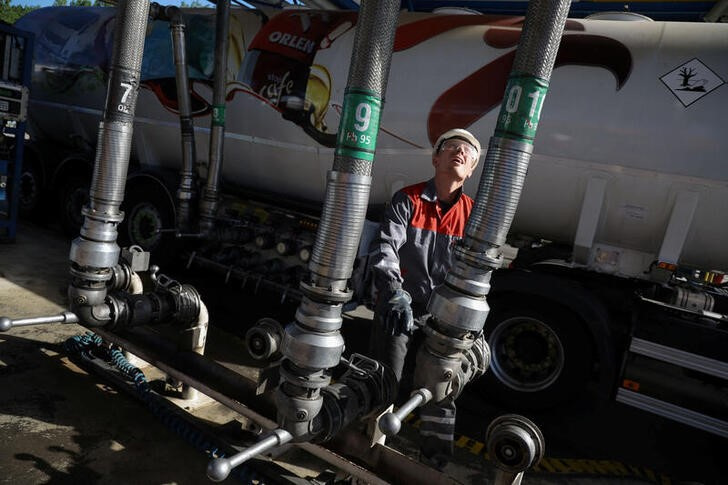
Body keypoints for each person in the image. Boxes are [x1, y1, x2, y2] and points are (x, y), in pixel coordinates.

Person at [368, 128, 481, 469]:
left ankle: (435, 462)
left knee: (440, 387)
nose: (459, 153)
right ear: (435, 158)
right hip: (401, 305)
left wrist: (470, 321)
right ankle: (367, 447)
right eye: (451, 148)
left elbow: (479, 273)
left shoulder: (474, 215)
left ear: (472, 169)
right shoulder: (408, 200)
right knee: (384, 376)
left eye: (467, 152)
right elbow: (386, 247)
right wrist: (394, 292)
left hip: (446, 317)